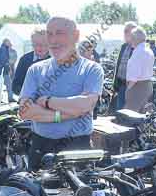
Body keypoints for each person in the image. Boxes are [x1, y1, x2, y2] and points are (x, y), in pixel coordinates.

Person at [19, 17, 104, 169]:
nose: (53, 40)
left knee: (76, 192)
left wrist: (47, 101)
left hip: (77, 150)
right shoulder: (35, 70)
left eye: (60, 33)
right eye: (49, 34)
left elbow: (85, 105)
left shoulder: (92, 69)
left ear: (76, 36)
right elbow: (25, 111)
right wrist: (66, 114)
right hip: (40, 147)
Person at [124, 27, 155, 113]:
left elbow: (135, 76)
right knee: (144, 115)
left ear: (135, 39)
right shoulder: (148, 51)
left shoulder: (139, 52)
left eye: (131, 38)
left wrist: (128, 89)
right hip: (147, 86)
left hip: (138, 88)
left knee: (130, 116)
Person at [12, 29, 49, 96]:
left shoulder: (55, 59)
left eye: (45, 44)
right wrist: (29, 96)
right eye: (37, 44)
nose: (42, 47)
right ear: (32, 44)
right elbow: (15, 86)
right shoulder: (25, 60)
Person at [113, 22, 137, 110]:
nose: (124, 33)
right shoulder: (123, 46)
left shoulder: (138, 48)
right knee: (120, 112)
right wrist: (115, 83)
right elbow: (118, 65)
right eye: (124, 31)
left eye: (126, 31)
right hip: (121, 85)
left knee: (129, 113)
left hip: (132, 86)